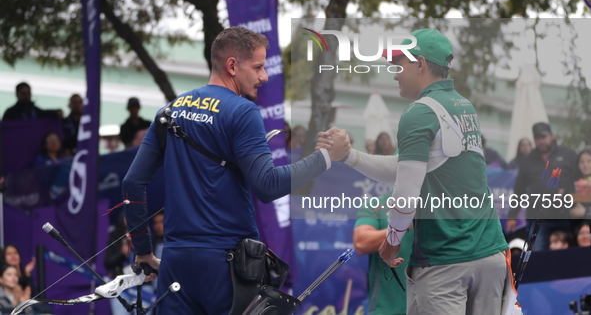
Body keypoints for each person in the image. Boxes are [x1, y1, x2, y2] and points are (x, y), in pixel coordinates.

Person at [122, 26, 350, 315]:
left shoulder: (170, 111)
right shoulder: (242, 112)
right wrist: (326, 157)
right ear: (232, 65)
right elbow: (267, 185)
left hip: (175, 259)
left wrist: (142, 251)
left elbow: (132, 182)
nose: (264, 76)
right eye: (258, 67)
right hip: (226, 265)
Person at [318, 29, 509, 315]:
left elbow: (405, 194)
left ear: (420, 64)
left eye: (400, 64)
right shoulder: (464, 106)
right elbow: (405, 169)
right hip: (490, 254)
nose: (395, 73)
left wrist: (391, 242)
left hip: (445, 261)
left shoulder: (418, 112)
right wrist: (350, 156)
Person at [506, 122, 578, 251]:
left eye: (544, 137)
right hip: (537, 218)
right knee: (537, 258)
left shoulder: (569, 154)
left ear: (552, 136)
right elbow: (519, 190)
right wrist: (512, 215)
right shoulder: (527, 161)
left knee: (567, 258)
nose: (541, 141)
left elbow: (580, 179)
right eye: (537, 138)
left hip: (565, 216)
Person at [353, 194, 412, 315]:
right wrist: (400, 226)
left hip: (434, 305)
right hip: (387, 308)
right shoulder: (376, 204)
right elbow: (361, 243)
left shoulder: (439, 204)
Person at [570, 149, 591, 219]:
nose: (585, 165)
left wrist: (586, 211)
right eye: (582, 162)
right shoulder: (572, 183)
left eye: (589, 161)